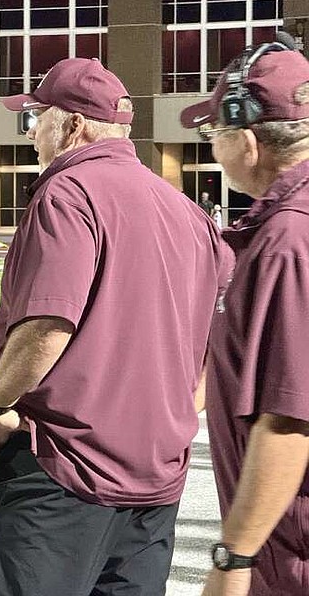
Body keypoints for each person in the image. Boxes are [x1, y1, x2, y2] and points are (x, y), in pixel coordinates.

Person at [0, 58, 231, 595]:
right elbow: (224, 345)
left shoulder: (67, 194)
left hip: (64, 470)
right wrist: (173, 414)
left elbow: (48, 325)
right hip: (157, 475)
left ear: (72, 125)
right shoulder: (189, 212)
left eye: (35, 116)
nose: (32, 131)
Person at [179, 42, 309, 596]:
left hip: (292, 551)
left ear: (246, 138)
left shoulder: (288, 239)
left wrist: (234, 558)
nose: (212, 148)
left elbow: (289, 418)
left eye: (213, 133)